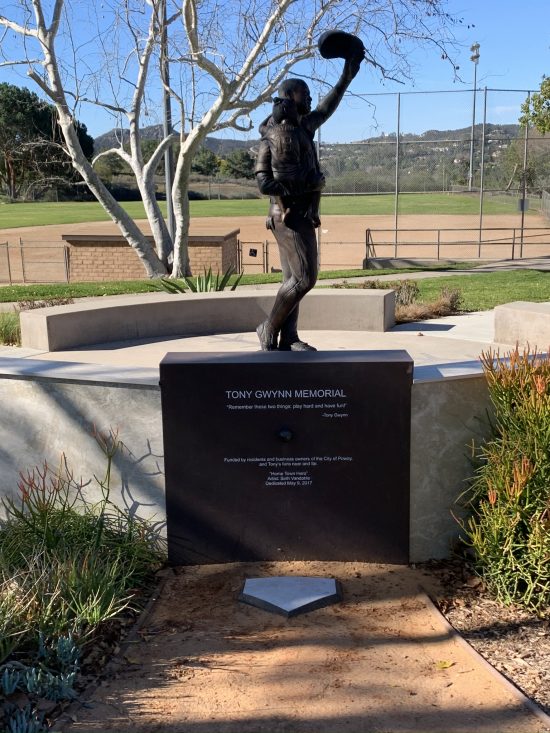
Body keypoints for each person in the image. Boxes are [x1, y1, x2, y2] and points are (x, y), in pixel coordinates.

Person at [255, 51, 363, 351]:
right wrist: (308, 185)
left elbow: (328, 106)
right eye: (305, 94)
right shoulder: (274, 134)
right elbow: (267, 180)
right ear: (289, 97)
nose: (311, 98)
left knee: (291, 278)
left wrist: (346, 76)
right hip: (288, 214)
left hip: (298, 212)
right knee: (304, 278)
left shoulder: (303, 126)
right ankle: (269, 327)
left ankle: (288, 337)